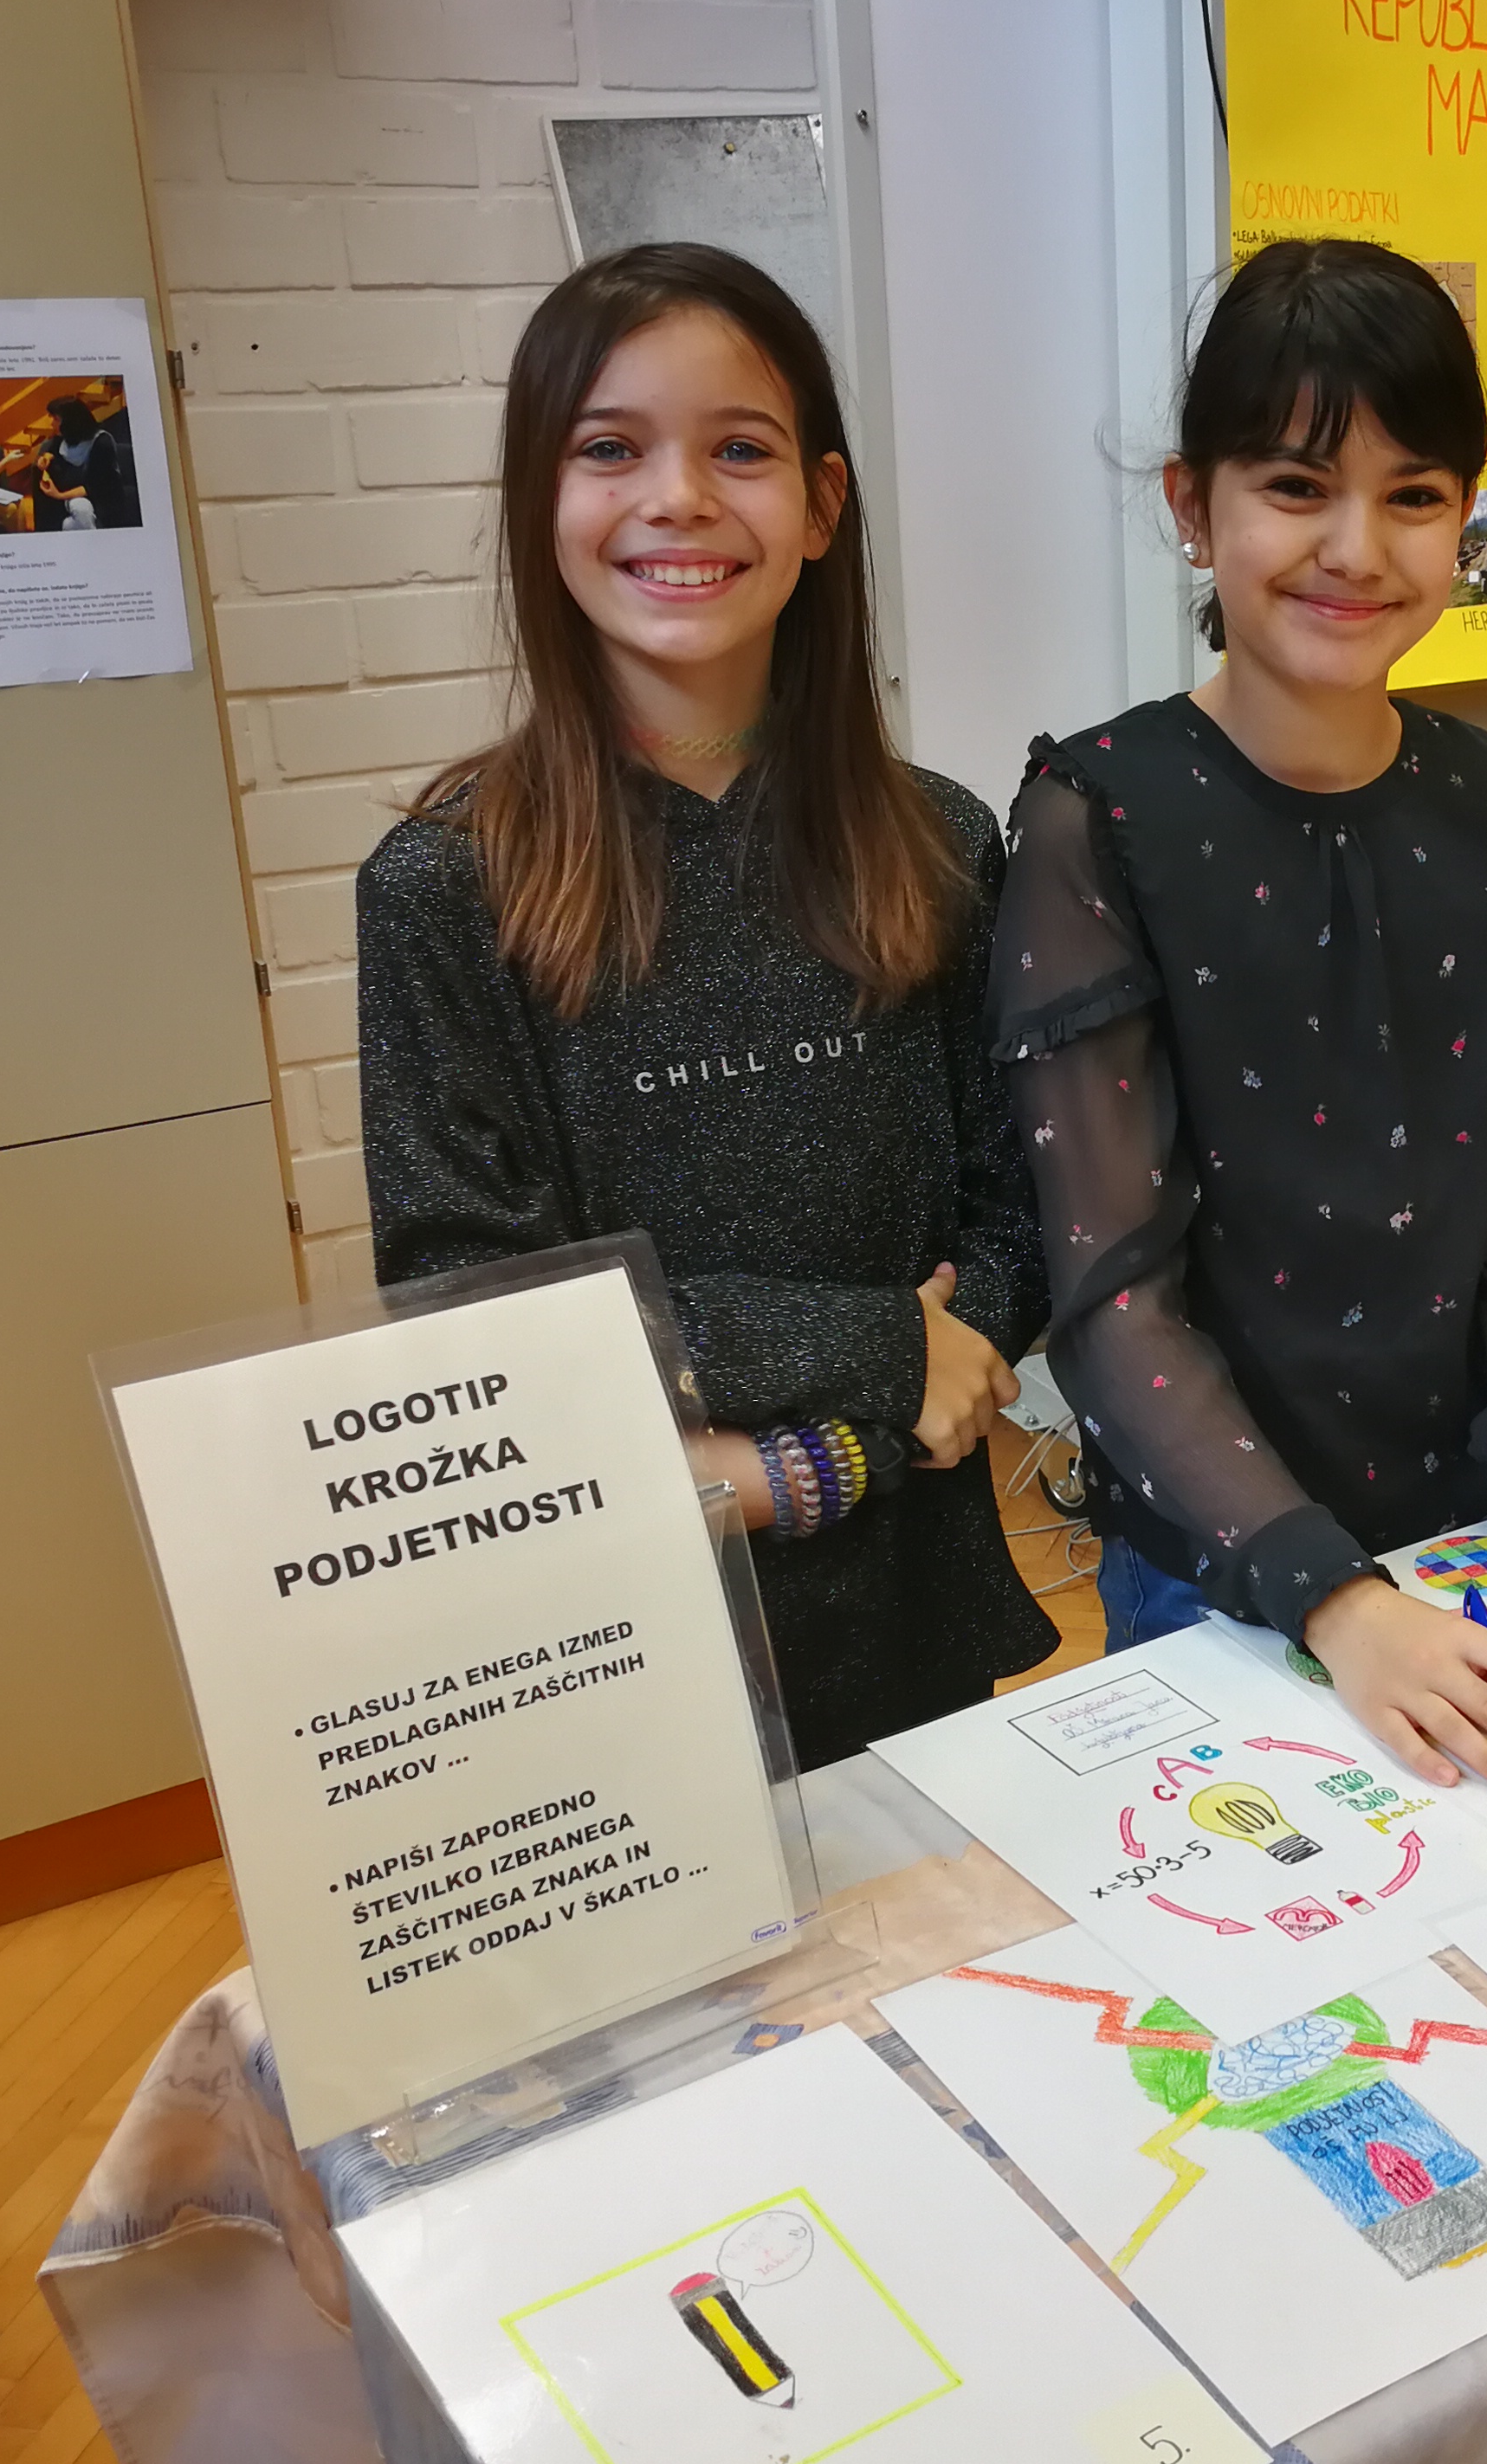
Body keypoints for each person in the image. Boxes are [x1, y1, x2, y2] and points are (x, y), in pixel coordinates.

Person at [989, 236, 1487, 1791]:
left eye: (1414, 493)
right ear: (1194, 505)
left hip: (1476, 1545)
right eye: (1297, 486)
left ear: (1466, 513)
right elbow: (1110, 1294)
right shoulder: (1094, 815)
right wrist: (1338, 1604)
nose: (1356, 547)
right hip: (1220, 1569)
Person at [358, 242, 1054, 1764]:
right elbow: (471, 1304)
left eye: (738, 450)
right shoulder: (444, 887)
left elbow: (1017, 1215)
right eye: (610, 449)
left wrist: (884, 1409)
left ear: (820, 504)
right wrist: (868, 1372)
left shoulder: (940, 843)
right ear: (540, 503)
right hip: (623, 1632)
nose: (676, 497)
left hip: (915, 1602)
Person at [42, 394, 141, 531]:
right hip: (73, 495)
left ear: (70, 421)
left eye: (56, 419)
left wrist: (59, 495)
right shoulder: (64, 439)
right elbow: (53, 452)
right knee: (73, 517)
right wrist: (47, 457)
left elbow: (94, 487)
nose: (52, 424)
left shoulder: (101, 442)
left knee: (75, 516)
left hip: (102, 499)